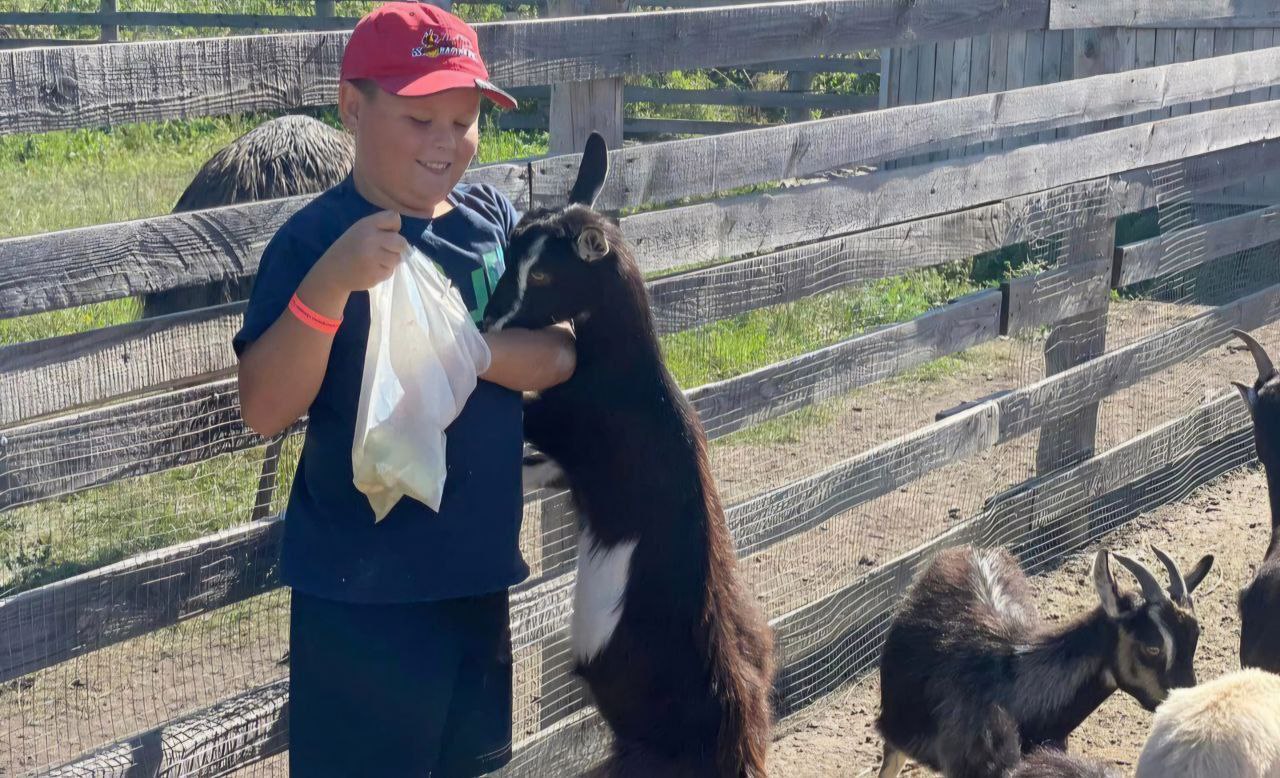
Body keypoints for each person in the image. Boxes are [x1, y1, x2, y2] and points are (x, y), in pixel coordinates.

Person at [232, 3, 576, 775]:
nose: (447, 142)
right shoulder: (315, 241)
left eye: (463, 120)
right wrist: (328, 288)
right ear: (354, 108)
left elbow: (558, 356)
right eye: (421, 120)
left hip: (476, 587)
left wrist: (454, 347)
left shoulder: (491, 228)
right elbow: (264, 407)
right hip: (357, 607)